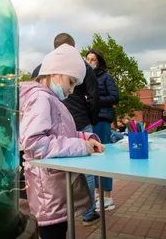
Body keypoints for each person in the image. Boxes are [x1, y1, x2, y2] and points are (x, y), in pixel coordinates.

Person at [20, 44, 105, 239]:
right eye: (71, 81)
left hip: (54, 189)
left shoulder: (51, 99)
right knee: (53, 234)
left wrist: (87, 138)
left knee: (59, 231)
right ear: (54, 73)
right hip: (48, 193)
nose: (71, 89)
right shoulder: (41, 98)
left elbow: (62, 134)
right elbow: (35, 142)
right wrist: (81, 146)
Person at [85, 49, 119, 211]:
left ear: (99, 61)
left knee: (104, 156)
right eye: (88, 59)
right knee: (94, 157)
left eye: (93, 59)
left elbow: (114, 97)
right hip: (89, 119)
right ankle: (97, 194)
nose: (90, 62)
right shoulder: (84, 77)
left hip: (103, 119)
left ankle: (108, 197)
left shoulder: (106, 77)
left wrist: (95, 99)